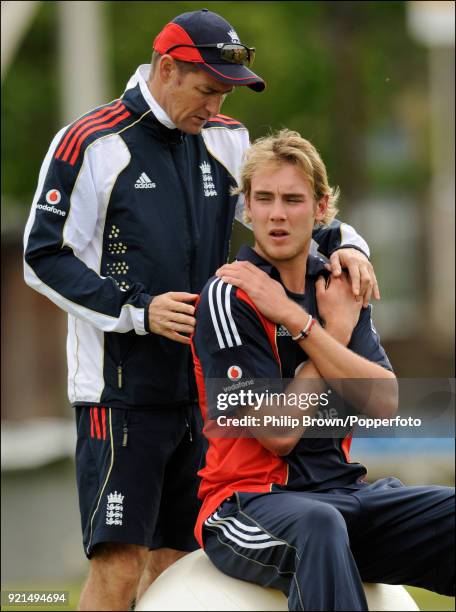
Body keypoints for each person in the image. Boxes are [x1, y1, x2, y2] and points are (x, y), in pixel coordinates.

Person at [24, 9, 378, 611]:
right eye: (208, 89)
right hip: (122, 393)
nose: (216, 106)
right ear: (166, 68)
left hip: (209, 388)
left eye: (226, 93)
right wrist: (137, 310)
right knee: (118, 564)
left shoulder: (227, 138)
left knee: (181, 565)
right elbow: (41, 256)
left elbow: (278, 219)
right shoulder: (91, 141)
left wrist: (346, 243)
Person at [191, 129, 455, 611]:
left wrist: (302, 320)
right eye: (264, 198)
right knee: (318, 524)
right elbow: (278, 432)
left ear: (320, 208)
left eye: (292, 199)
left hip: (343, 495)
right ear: (245, 208)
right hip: (246, 507)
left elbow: (383, 402)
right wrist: (324, 330)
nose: (276, 214)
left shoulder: (339, 284)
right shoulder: (230, 296)